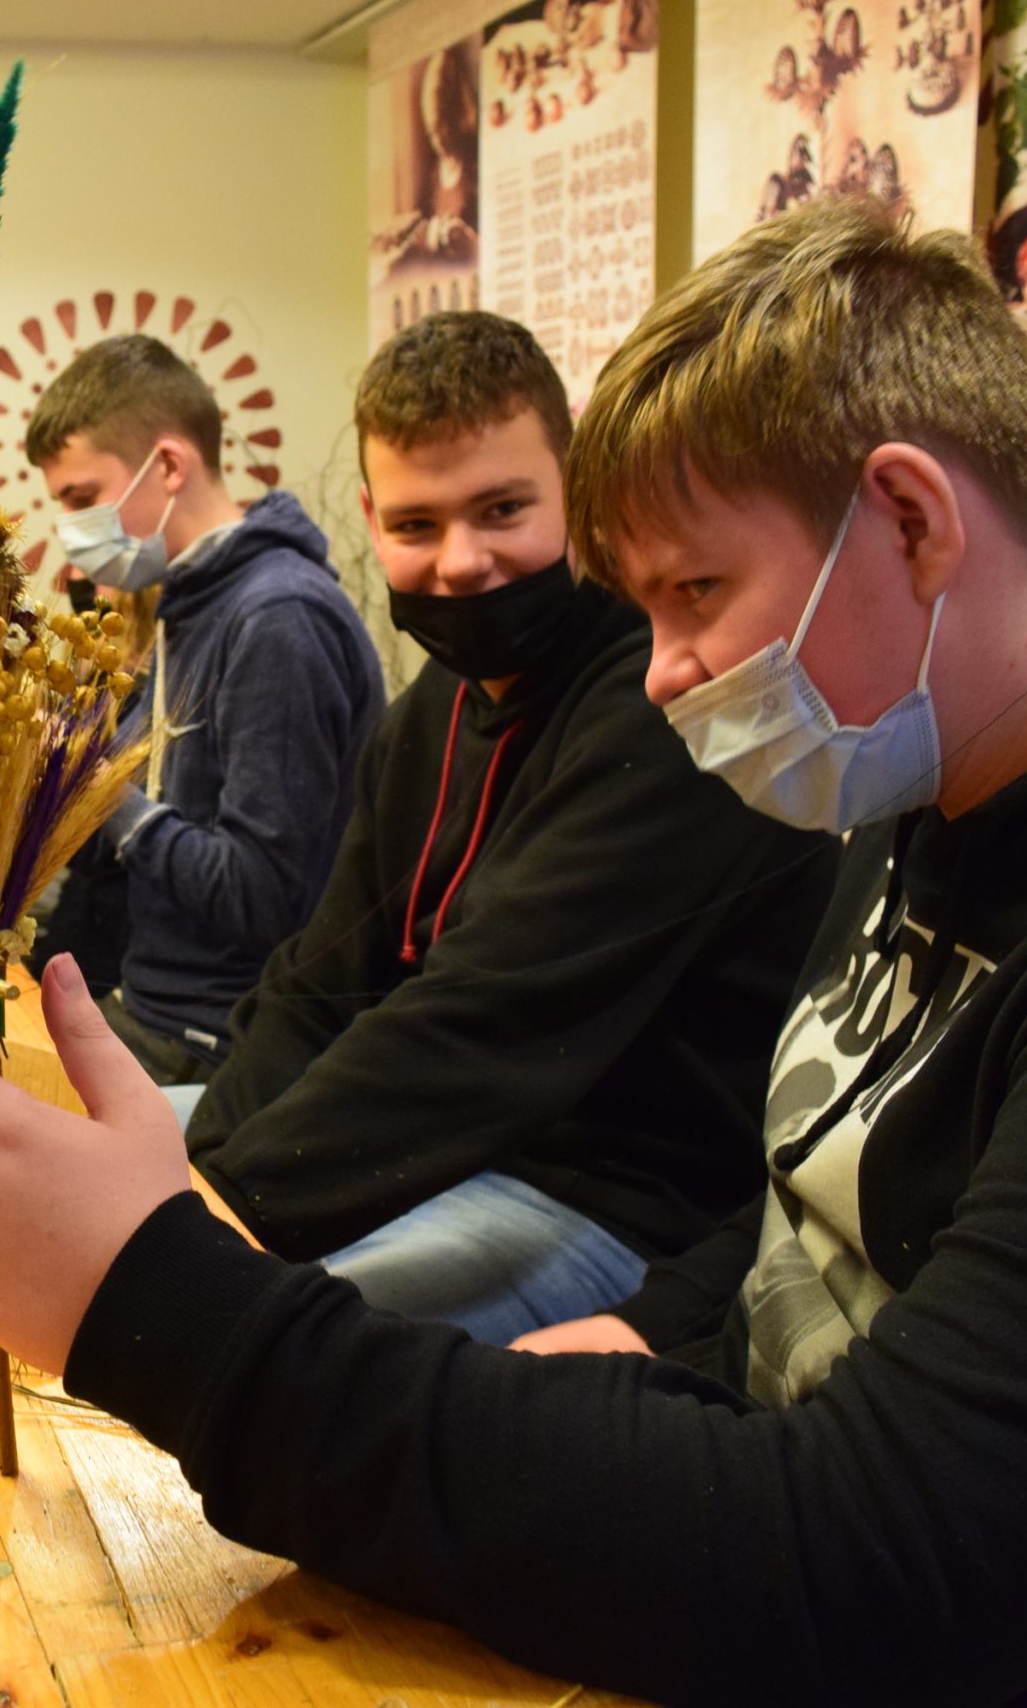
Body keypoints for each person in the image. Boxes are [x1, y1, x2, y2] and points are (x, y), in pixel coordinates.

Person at [0, 199, 1027, 1703]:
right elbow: (822, 1199)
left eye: (698, 592)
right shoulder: (936, 777)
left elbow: (884, 1564)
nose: (667, 670)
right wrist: (664, 1328)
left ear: (910, 519)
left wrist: (163, 1304)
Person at [183, 312, 837, 1340]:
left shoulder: (667, 705)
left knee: (240, 1339)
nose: (462, 561)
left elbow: (483, 1024)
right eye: (416, 525)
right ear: (370, 519)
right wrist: (193, 1179)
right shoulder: (427, 716)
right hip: (454, 1152)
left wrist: (211, 1226)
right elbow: (320, 982)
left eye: (501, 510)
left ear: (575, 487)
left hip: (622, 1205)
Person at [27, 334, 384, 1086]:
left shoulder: (277, 618)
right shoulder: (186, 604)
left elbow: (260, 896)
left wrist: (101, 787)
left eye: (82, 499)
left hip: (223, 1038)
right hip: (156, 1002)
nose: (71, 531)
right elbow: (133, 843)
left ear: (167, 465)